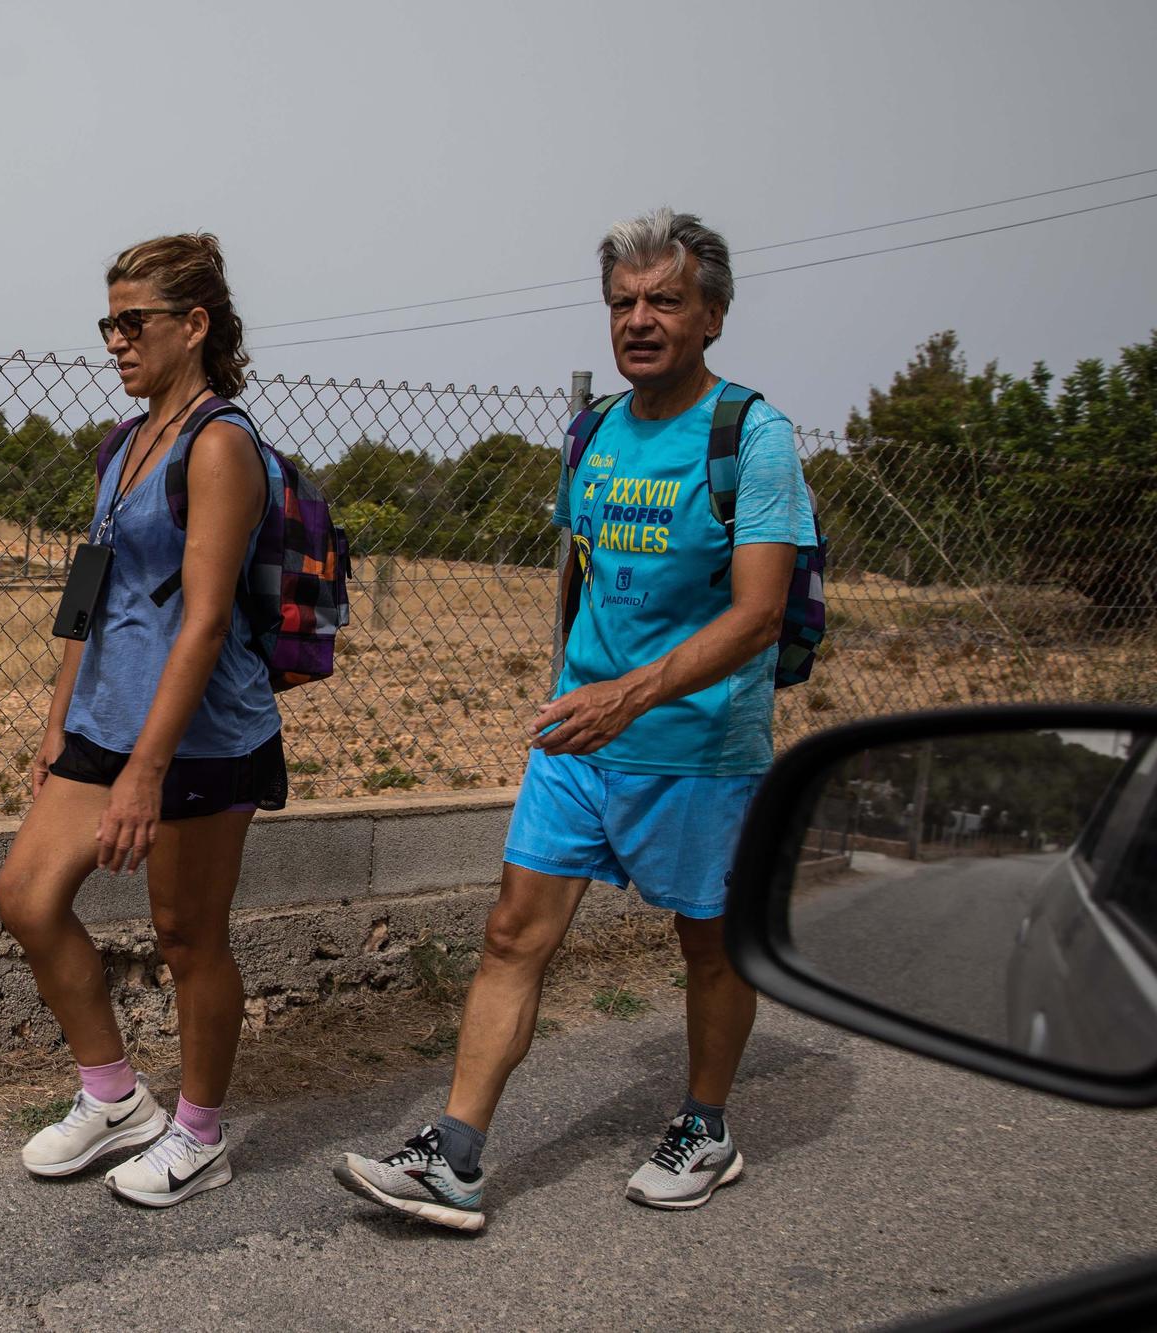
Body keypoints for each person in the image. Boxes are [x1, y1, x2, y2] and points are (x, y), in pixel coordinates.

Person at [335, 209, 815, 1231]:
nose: (638, 320)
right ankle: (454, 1155)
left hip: (696, 751)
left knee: (708, 946)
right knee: (511, 931)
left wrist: (628, 693)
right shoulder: (592, 431)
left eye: (663, 301)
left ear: (711, 316)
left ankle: (704, 1124)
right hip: (577, 740)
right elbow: (580, 564)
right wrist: (567, 681)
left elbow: (759, 612)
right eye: (621, 303)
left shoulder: (752, 438)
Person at [0, 233, 285, 1208]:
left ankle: (199, 1132)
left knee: (185, 935)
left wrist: (145, 771)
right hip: (104, 714)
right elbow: (88, 583)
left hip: (202, 734)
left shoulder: (220, 445)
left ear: (192, 325)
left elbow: (203, 621)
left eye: (133, 323)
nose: (114, 341)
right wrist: (56, 720)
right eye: (106, 323)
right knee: (27, 897)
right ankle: (114, 1099)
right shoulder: (123, 445)